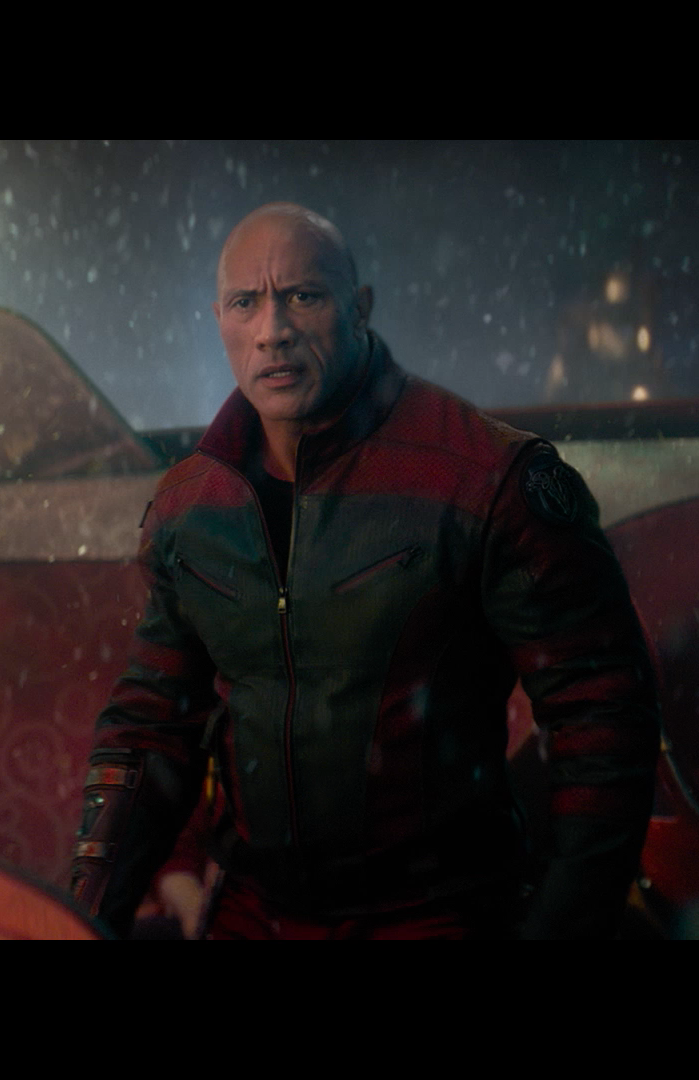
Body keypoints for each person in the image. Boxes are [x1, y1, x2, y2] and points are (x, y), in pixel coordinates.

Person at [70, 203, 659, 939]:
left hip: (438, 918)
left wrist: (562, 928)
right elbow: (150, 727)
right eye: (246, 302)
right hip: (255, 917)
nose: (273, 329)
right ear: (219, 320)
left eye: (303, 295)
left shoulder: (486, 477)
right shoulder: (191, 504)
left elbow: (602, 715)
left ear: (359, 308)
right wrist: (78, 921)